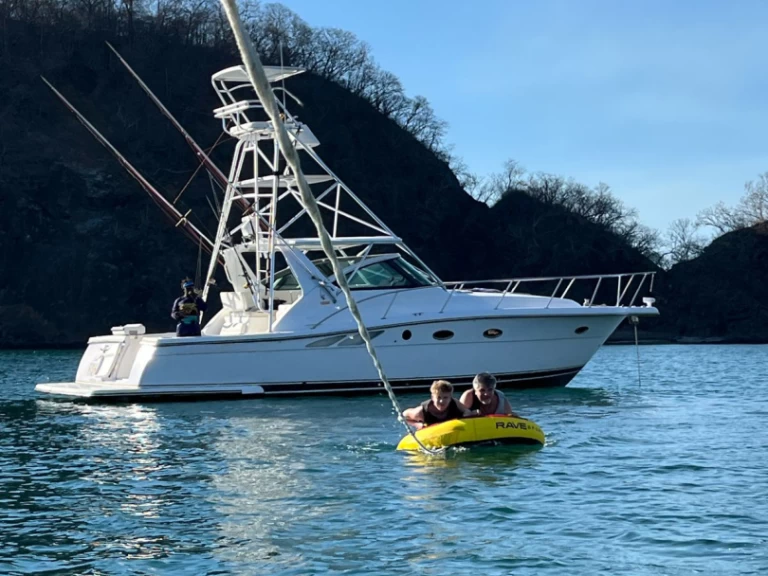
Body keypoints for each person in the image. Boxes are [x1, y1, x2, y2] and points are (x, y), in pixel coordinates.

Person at [401, 380, 471, 429]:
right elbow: (402, 416)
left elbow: (467, 411)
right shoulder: (420, 412)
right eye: (438, 397)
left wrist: (465, 416)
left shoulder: (455, 403)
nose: (441, 401)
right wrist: (416, 424)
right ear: (432, 398)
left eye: (445, 397)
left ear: (450, 397)